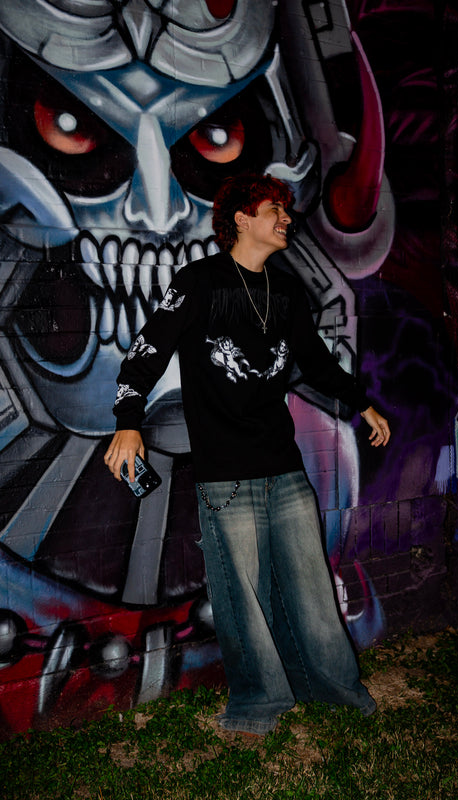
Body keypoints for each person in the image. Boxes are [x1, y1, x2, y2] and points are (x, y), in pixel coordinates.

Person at [104, 174, 390, 737]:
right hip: (225, 476)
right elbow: (145, 353)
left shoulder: (286, 292)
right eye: (273, 209)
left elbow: (318, 363)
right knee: (242, 597)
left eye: (286, 210)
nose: (286, 218)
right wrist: (128, 422)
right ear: (240, 218)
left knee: (312, 590)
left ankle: (334, 690)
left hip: (283, 467)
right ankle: (259, 705)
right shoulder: (199, 283)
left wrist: (363, 403)